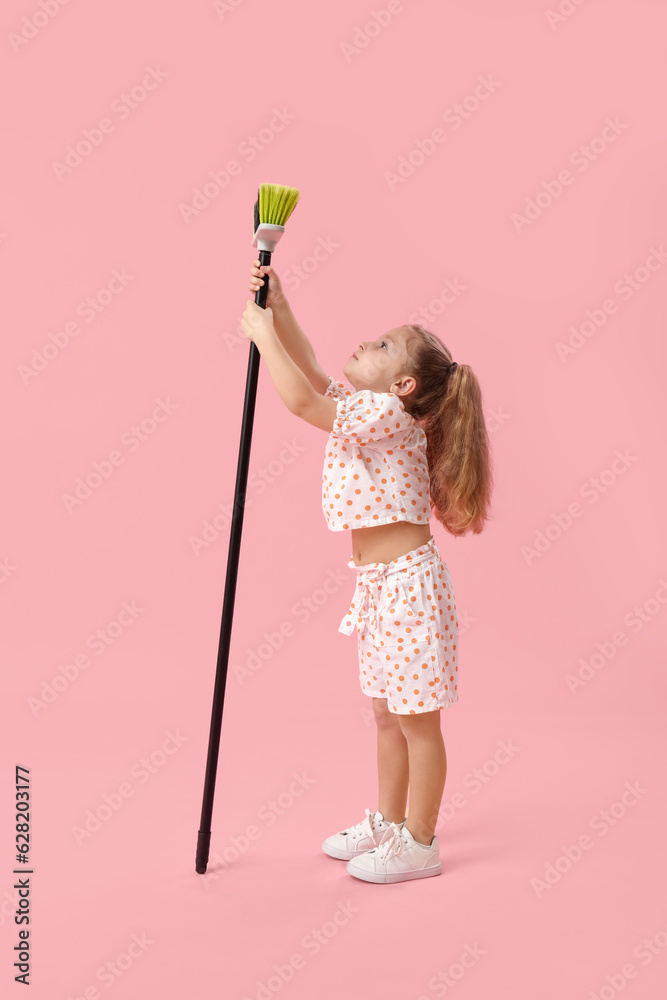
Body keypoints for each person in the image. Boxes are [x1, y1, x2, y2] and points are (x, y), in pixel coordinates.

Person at [241, 259, 493, 884]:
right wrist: (280, 307)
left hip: (409, 589)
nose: (365, 343)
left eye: (383, 346)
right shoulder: (367, 409)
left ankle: (421, 841)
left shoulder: (388, 418)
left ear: (403, 385)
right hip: (380, 589)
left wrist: (259, 332)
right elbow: (314, 373)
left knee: (417, 721)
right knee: (386, 715)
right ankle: (388, 822)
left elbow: (300, 398)